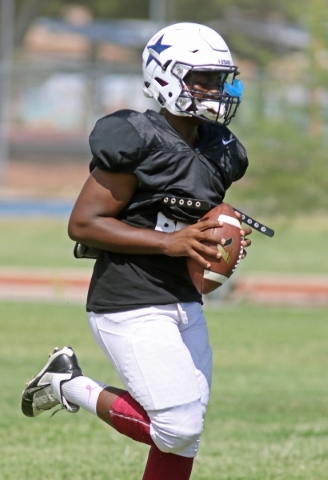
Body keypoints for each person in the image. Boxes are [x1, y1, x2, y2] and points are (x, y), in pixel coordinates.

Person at [21, 22, 252, 480]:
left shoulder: (222, 150)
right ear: (166, 76)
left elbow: (192, 220)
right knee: (177, 427)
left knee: (186, 434)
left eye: (219, 79)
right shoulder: (136, 138)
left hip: (184, 300)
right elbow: (83, 223)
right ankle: (69, 385)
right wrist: (172, 242)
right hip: (128, 301)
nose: (214, 90)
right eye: (201, 79)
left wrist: (217, 241)